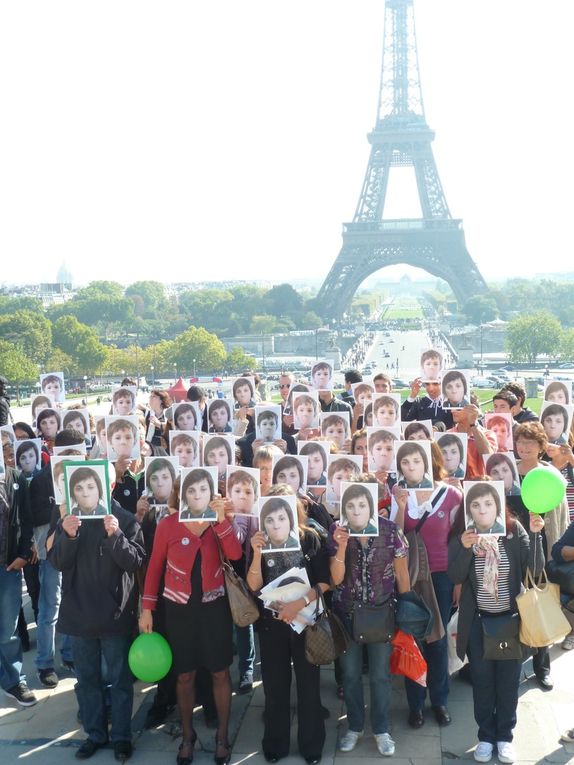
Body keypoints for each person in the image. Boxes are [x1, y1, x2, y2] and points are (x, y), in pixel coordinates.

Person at [140, 481, 241, 765]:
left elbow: (235, 555)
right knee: (184, 675)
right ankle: (187, 735)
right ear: (181, 496)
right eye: (191, 491)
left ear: (212, 494)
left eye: (202, 490)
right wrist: (147, 608)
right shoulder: (168, 524)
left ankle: (222, 736)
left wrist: (221, 522)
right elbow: (155, 567)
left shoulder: (219, 521)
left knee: (220, 672)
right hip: (179, 609)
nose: (197, 496)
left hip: (214, 608)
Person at [49, 470, 145, 760]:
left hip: (115, 615)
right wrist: (67, 534)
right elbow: (58, 563)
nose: (87, 492)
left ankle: (121, 737)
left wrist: (115, 535)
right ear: (72, 492)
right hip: (80, 615)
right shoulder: (69, 521)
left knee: (120, 680)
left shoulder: (124, 519)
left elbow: (136, 561)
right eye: (80, 488)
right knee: (87, 679)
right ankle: (95, 733)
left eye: (92, 486)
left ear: (108, 485)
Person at [448, 493, 545, 763]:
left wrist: (537, 536)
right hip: (479, 623)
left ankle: (505, 736)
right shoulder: (464, 534)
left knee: (508, 683)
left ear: (498, 505)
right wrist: (464, 548)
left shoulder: (514, 532)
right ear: (469, 509)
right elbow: (454, 575)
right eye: (476, 504)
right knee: (482, 684)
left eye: (488, 503)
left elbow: (535, 569)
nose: (482, 509)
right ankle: (485, 736)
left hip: (510, 622)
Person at [247, 486, 330, 763]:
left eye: (281, 517)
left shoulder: (310, 539)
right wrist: (257, 552)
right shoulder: (258, 541)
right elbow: (254, 585)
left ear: (293, 514)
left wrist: (299, 604)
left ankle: (311, 746)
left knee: (309, 686)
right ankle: (275, 743)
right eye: (270, 519)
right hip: (273, 626)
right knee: (275, 686)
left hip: (305, 622)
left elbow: (324, 581)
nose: (275, 524)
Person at [329, 478, 410, 757]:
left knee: (380, 675)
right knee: (350, 675)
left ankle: (381, 729)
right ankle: (354, 726)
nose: (356, 510)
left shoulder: (390, 531)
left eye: (362, 505)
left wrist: (407, 607)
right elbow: (335, 578)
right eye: (350, 505)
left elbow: (401, 573)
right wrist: (340, 546)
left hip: (381, 613)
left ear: (372, 505)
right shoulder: (337, 531)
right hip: (347, 614)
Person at [394, 443, 463, 730]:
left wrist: (459, 580)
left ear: (427, 462)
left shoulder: (450, 494)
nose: (411, 467)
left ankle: (440, 701)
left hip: (442, 575)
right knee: (415, 640)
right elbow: (395, 536)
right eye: (405, 463)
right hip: (411, 576)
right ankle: (415, 705)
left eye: (416, 461)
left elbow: (459, 539)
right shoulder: (399, 494)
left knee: (437, 640)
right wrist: (399, 508)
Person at [507, 421, 569, 690]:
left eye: (530, 443)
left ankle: (542, 667)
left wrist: (554, 551)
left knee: (540, 604)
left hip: (539, 550)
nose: (523, 448)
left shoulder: (550, 475)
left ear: (542, 447)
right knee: (512, 606)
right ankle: (509, 660)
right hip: (510, 550)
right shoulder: (508, 472)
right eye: (520, 442)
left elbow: (561, 518)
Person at [0, 459, 37, 707]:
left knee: (7, 630)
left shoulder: (15, 478)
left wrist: (24, 554)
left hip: (7, 567)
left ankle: (14, 680)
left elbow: (26, 518)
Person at [447, 404, 497, 479]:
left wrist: (473, 425)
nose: (452, 411)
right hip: (455, 486)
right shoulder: (447, 434)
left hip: (480, 486)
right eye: (451, 408)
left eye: (458, 409)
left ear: (473, 410)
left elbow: (488, 458)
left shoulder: (488, 434)